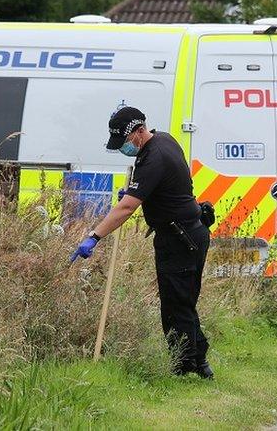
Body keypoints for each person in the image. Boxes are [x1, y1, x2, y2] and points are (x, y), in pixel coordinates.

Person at [71, 106, 214, 378]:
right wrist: (143, 190)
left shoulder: (154, 157)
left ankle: (184, 366)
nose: (125, 147)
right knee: (182, 302)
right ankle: (198, 363)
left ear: (139, 131)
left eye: (125, 142)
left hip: (180, 238)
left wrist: (94, 236)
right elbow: (169, 185)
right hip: (190, 232)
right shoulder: (165, 140)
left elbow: (126, 209)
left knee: (176, 305)